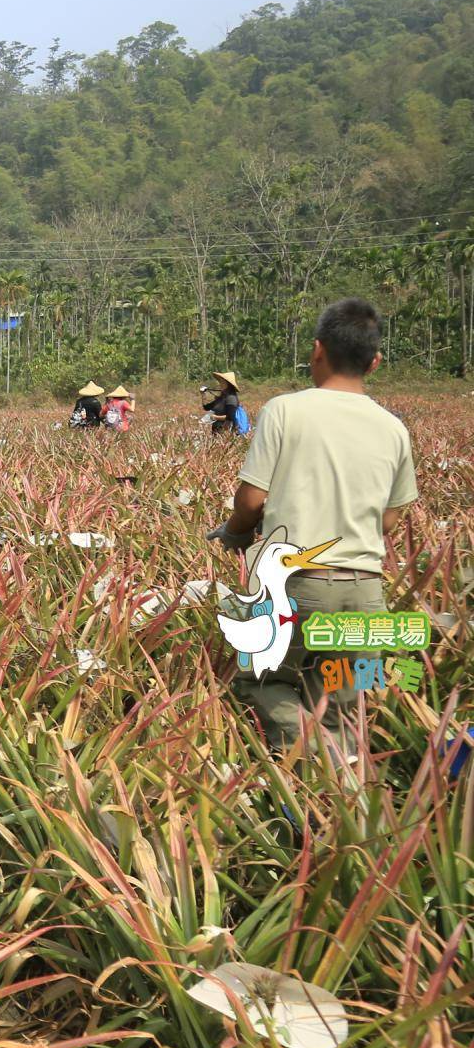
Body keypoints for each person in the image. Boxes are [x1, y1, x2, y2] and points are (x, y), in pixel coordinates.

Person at [207, 299, 418, 757]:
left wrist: (236, 534)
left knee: (260, 680)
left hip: (300, 585)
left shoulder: (286, 411)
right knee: (344, 702)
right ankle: (347, 793)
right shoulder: (393, 428)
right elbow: (390, 517)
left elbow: (250, 500)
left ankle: (316, 767)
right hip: (366, 592)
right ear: (375, 362)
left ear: (317, 350)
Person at [202, 371, 247, 436]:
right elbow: (206, 407)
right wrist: (203, 394)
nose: (220, 383)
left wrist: (215, 417)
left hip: (226, 433)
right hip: (217, 432)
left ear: (228, 384)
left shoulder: (231, 398)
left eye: (222, 382)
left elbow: (230, 417)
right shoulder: (222, 398)